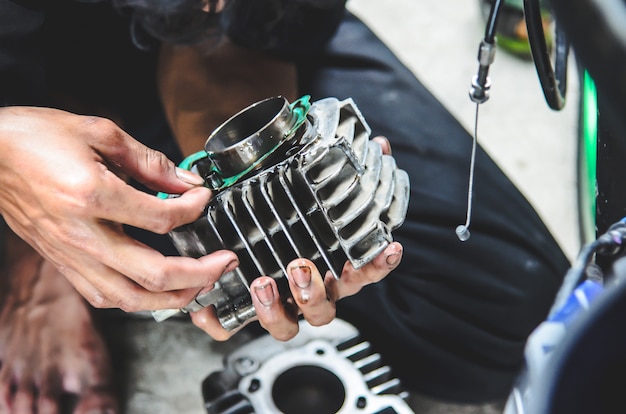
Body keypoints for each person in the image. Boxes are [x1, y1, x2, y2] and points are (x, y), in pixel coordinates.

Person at [0, 0, 570, 413]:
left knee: (506, 316)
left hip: (164, 50)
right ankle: (35, 262)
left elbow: (229, 49)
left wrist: (259, 201)